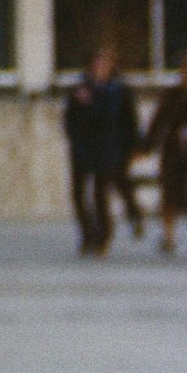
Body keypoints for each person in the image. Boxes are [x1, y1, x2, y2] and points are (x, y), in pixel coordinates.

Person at [64, 50, 140, 255]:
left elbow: (127, 120)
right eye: (96, 64)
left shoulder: (118, 91)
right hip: (82, 148)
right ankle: (87, 233)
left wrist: (133, 146)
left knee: (100, 195)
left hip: (107, 148)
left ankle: (103, 236)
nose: (99, 69)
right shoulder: (79, 88)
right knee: (78, 193)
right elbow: (70, 119)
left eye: (104, 65)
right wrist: (75, 140)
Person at [145, 50, 187, 254]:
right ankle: (168, 236)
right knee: (169, 194)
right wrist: (147, 146)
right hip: (174, 149)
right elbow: (158, 123)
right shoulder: (171, 95)